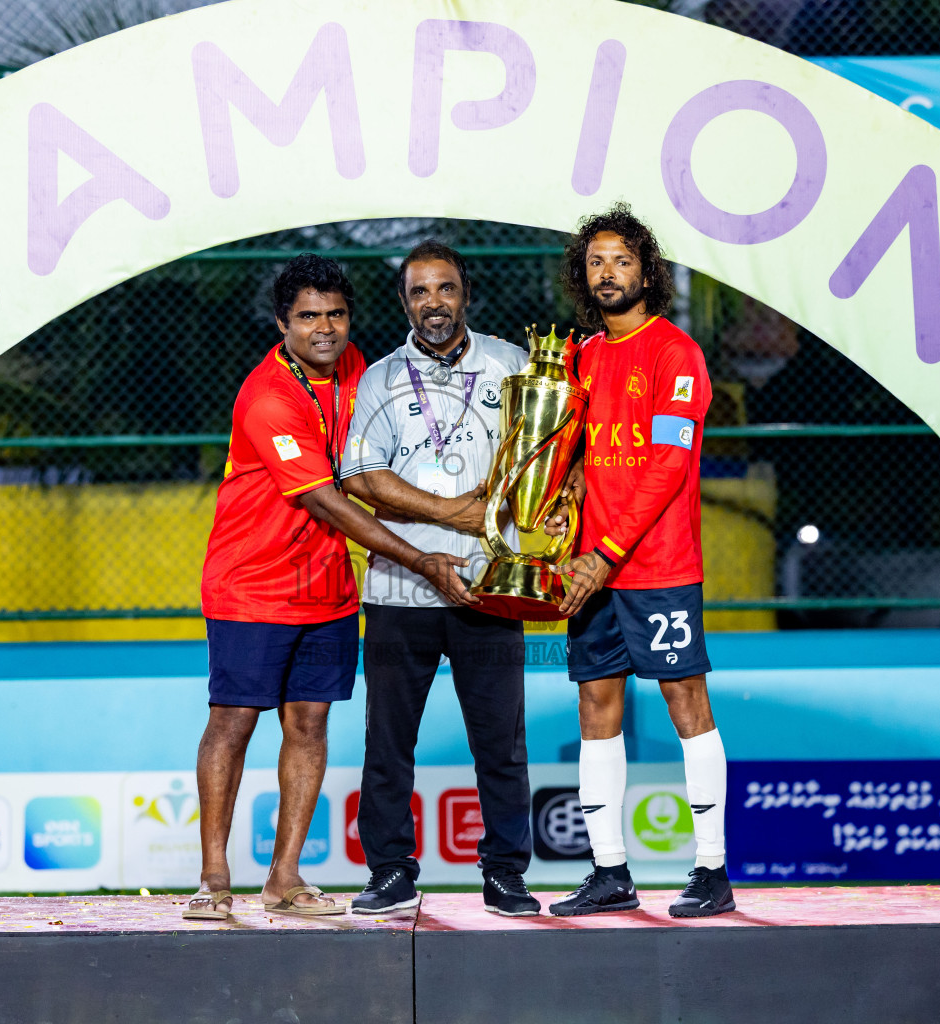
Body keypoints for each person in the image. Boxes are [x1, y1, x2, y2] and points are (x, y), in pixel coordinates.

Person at [186, 253, 474, 920]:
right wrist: (423, 556)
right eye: (309, 317)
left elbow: (377, 466)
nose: (325, 328)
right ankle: (212, 879)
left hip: (327, 589)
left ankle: (285, 879)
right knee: (233, 723)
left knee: (310, 725)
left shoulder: (357, 369)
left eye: (336, 314)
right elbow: (329, 501)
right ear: (282, 323)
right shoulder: (270, 396)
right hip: (252, 585)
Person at [339, 241, 540, 917]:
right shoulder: (380, 378)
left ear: (466, 293)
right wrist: (449, 510)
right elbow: (362, 478)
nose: (433, 303)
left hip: (490, 584)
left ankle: (506, 873)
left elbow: (540, 459)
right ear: (405, 302)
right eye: (420, 292)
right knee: (388, 742)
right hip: (401, 588)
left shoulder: (512, 364)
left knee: (501, 742)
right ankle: (391, 871)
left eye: (445, 289)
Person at [546, 204, 733, 918]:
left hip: (654, 567)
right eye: (595, 262)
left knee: (686, 705)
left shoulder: (674, 352)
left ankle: (711, 871)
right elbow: (582, 457)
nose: (608, 273)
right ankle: (609, 872)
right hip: (591, 568)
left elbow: (664, 464)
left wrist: (605, 552)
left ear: (646, 271)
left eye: (622, 260)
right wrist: (564, 499)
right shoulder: (583, 355)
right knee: (597, 706)